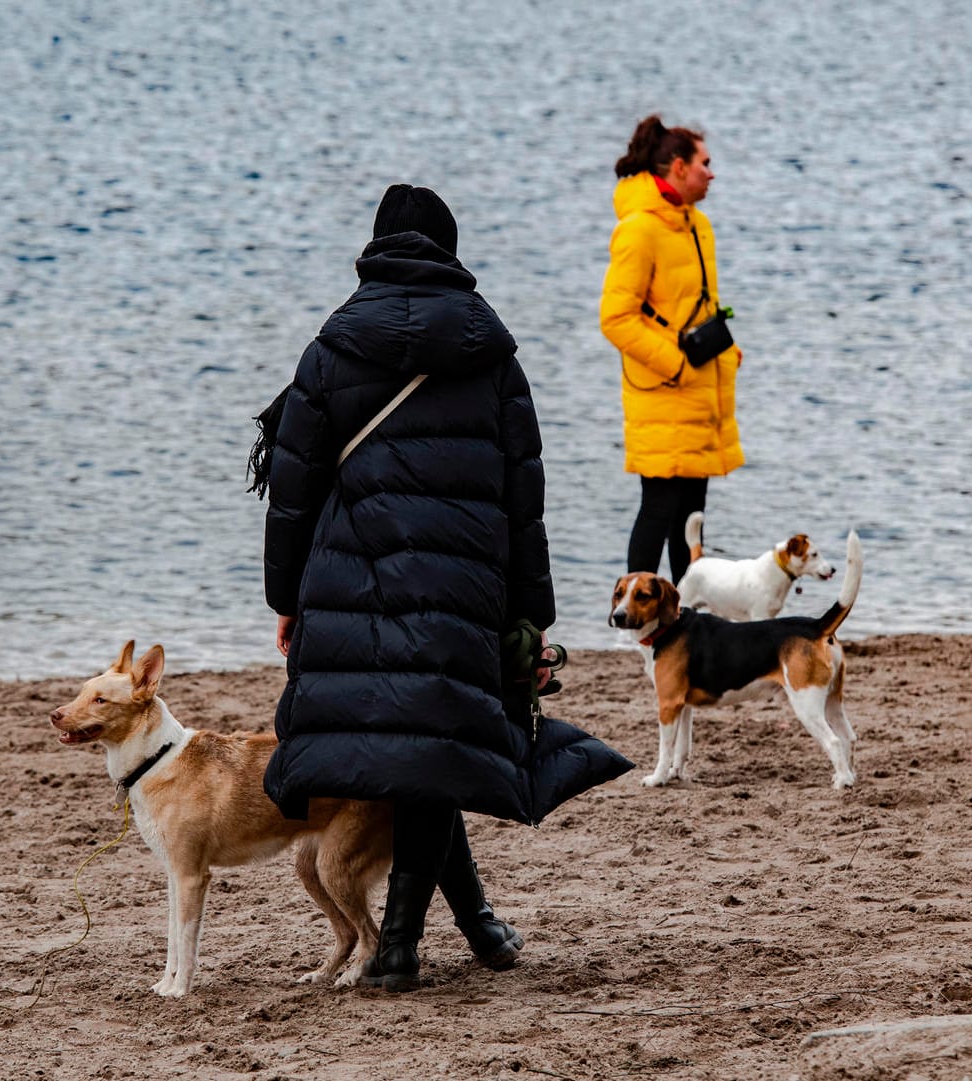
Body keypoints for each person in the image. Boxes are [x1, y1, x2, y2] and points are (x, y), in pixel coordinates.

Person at [259, 185, 631, 991]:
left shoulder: (330, 349)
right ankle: (448, 936)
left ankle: (404, 948)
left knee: (422, 755)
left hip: (349, 580)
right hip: (462, 590)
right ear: (452, 253)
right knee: (431, 749)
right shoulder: (493, 357)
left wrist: (285, 597)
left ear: (375, 248)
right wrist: (531, 612)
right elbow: (522, 496)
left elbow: (292, 490)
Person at [600, 115, 744, 584]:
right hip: (663, 389)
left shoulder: (697, 225)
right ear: (679, 167)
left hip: (700, 386)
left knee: (692, 514)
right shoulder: (639, 230)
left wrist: (726, 349)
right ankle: (633, 615)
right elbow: (616, 318)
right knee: (658, 509)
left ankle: (689, 620)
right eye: (705, 162)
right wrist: (677, 364)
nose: (712, 172)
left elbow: (697, 305)